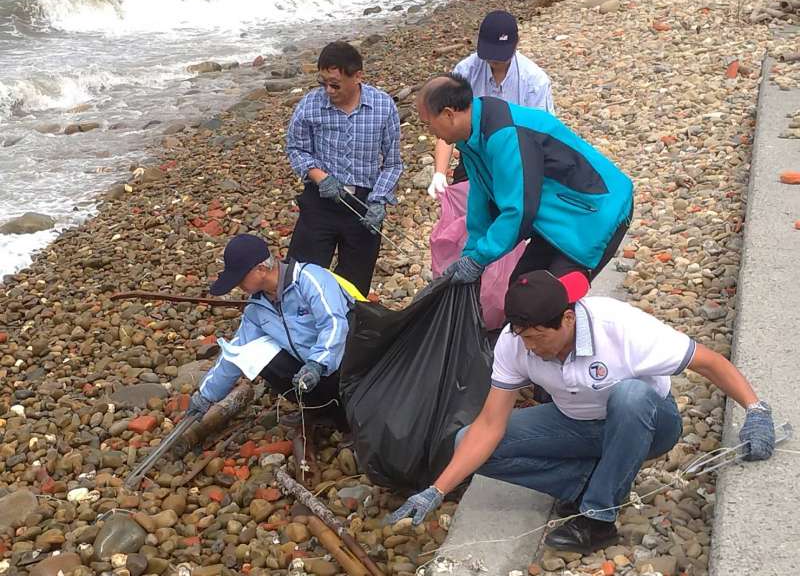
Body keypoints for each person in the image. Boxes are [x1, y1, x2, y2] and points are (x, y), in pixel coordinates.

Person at [389, 270, 776, 553]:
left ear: (568, 318)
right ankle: (587, 481)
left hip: (650, 423)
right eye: (524, 338)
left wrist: (756, 411)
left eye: (540, 337)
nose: (533, 348)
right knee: (467, 444)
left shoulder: (620, 328)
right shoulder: (515, 343)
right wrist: (436, 490)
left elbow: (708, 362)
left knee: (630, 396)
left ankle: (598, 518)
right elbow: (491, 424)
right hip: (576, 424)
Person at [417, 73, 634, 293]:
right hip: (555, 217)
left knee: (548, 302)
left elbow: (518, 210)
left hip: (595, 213)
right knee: (520, 291)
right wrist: (471, 254)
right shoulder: (471, 137)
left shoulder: (505, 135)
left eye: (428, 124)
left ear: (448, 114)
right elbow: (480, 199)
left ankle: (587, 324)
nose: (430, 132)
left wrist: (479, 259)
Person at [188, 234, 360, 429]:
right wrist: (205, 396)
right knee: (253, 354)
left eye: (240, 278)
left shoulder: (309, 279)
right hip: (313, 374)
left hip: (350, 366)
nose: (238, 285)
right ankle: (321, 409)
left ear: (261, 269)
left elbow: (334, 324)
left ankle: (351, 416)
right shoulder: (257, 309)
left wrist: (317, 364)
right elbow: (235, 353)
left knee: (352, 394)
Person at [286, 41, 404, 297]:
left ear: (358, 76)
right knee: (300, 279)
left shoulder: (383, 106)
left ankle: (345, 333)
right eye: (323, 83)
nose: (328, 90)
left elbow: (393, 164)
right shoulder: (310, 105)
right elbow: (296, 148)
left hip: (363, 206)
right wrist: (319, 176)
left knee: (353, 289)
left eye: (335, 84)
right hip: (321, 200)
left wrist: (379, 201)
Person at [428, 10, 555, 199]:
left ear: (516, 44)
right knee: (465, 209)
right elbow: (447, 123)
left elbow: (542, 137)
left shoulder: (534, 81)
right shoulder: (466, 71)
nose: (494, 60)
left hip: (518, 157)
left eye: (500, 54)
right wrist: (439, 172)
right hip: (473, 154)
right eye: (489, 53)